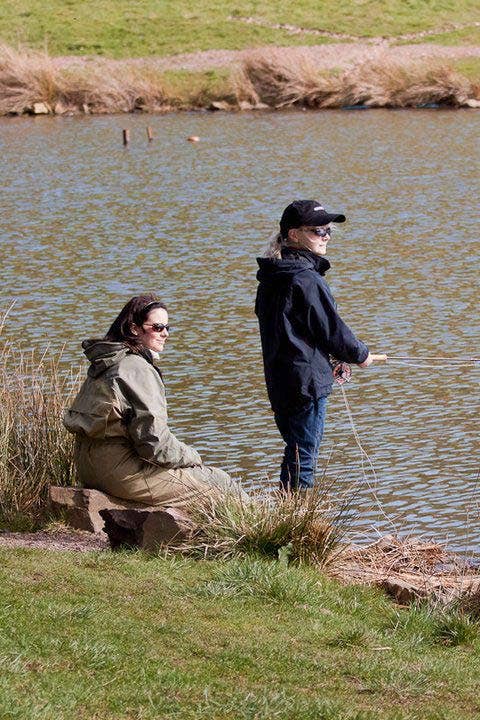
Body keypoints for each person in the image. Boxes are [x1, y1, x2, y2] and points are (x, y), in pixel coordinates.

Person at [63, 294, 244, 506]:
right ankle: (260, 534)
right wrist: (192, 457)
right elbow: (155, 445)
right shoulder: (137, 369)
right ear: (134, 329)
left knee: (205, 476)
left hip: (90, 468)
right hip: (120, 473)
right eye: (158, 327)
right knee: (221, 483)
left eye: (168, 328)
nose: (165, 334)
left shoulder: (107, 363)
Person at [255, 199, 373, 493]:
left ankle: (285, 519)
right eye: (318, 231)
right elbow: (332, 330)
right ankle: (298, 528)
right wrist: (360, 354)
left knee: (295, 449)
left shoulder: (272, 277)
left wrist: (333, 360)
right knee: (304, 455)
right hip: (306, 384)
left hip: (281, 381)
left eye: (328, 230)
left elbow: (302, 331)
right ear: (294, 235)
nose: (326, 237)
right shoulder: (306, 280)